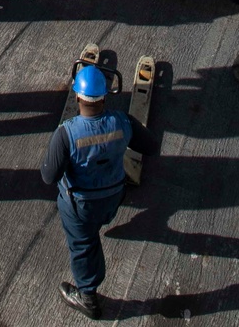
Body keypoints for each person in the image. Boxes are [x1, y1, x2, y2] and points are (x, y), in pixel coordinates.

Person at [40, 63, 157, 319]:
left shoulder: (66, 134)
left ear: (77, 96)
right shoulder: (122, 122)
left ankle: (88, 298)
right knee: (100, 219)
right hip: (113, 198)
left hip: (80, 207)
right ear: (105, 96)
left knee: (84, 246)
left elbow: (49, 176)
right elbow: (151, 147)